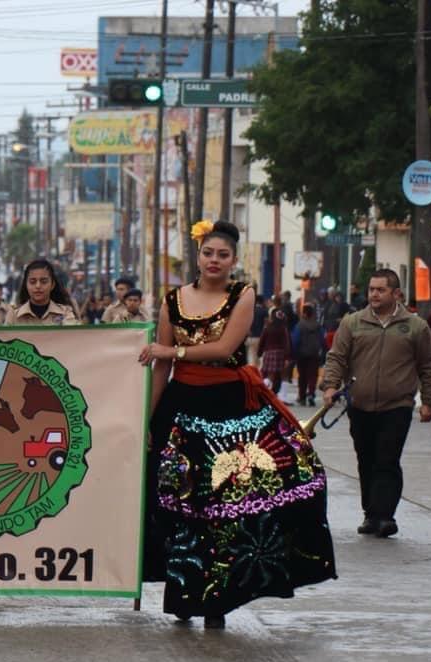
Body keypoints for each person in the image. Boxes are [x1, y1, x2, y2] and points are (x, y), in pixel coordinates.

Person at [138, 219, 335, 629]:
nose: (214, 260)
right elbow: (160, 368)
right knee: (179, 504)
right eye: (208, 253)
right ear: (198, 255)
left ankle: (218, 601)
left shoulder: (242, 296)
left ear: (233, 260)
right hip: (179, 407)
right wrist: (147, 419)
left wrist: (170, 350)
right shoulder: (172, 300)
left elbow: (226, 347)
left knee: (227, 505)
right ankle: (183, 595)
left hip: (228, 409)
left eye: (222, 255)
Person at [321, 269, 431, 538]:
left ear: (396, 294)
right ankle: (370, 514)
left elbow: (429, 365)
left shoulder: (415, 326)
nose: (374, 294)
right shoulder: (353, 323)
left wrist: (429, 401)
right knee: (366, 460)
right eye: (371, 289)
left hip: (397, 405)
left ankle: (385, 516)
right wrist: (330, 386)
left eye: (380, 290)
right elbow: (337, 357)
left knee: (387, 459)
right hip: (360, 405)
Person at [6, 259, 78, 326]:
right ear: (26, 285)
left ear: (52, 285)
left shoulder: (65, 312)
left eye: (44, 281)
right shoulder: (14, 315)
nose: (38, 286)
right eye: (32, 282)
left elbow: (74, 336)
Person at [294, 303, 323, 407]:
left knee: (302, 376)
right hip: (314, 354)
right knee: (312, 376)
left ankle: (302, 397)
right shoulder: (317, 325)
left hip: (301, 354)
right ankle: (311, 393)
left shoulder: (300, 325)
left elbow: (296, 340)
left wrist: (294, 352)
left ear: (304, 314)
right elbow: (322, 339)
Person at [257, 308, 291, 395]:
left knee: (269, 375)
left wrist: (259, 353)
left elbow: (262, 341)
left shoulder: (267, 327)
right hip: (280, 353)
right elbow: (286, 343)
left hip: (268, 353)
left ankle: (263, 392)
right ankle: (283, 395)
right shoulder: (283, 328)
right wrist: (287, 357)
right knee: (284, 375)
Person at [247, 293, 268, 366]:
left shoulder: (251, 310)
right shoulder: (264, 311)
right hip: (260, 336)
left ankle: (251, 373)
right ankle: (259, 374)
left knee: (251, 356)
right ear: (262, 301)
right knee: (260, 356)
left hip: (250, 337)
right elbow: (266, 324)